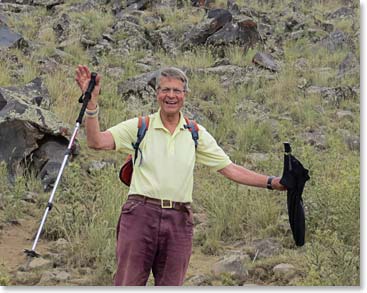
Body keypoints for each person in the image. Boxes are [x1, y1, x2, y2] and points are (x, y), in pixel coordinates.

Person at [75, 65, 286, 286]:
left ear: (185, 95)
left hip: (179, 220)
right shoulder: (140, 126)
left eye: (177, 91)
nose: (171, 96)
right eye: (166, 90)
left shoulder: (195, 133)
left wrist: (273, 182)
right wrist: (91, 104)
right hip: (140, 215)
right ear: (157, 93)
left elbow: (231, 169)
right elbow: (96, 142)